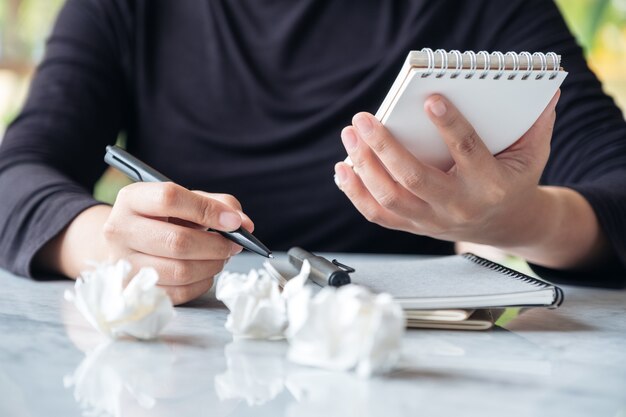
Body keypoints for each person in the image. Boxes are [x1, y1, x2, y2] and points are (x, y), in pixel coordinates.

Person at [0, 0, 624, 305]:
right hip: (179, 363)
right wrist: (107, 246)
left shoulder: (486, 7)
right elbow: (18, 175)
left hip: (391, 369)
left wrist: (514, 221)